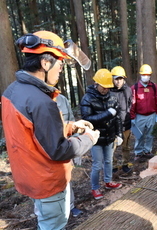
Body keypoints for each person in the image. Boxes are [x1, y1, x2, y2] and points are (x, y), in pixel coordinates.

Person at [1, 31, 99, 229]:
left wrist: (71, 127)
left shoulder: (13, 91)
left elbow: (35, 132)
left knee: (45, 221)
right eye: (60, 64)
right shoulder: (41, 101)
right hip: (47, 181)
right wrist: (89, 138)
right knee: (54, 225)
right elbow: (59, 149)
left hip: (30, 176)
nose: (61, 69)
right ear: (45, 63)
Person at [80, 69, 124, 199]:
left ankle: (108, 181)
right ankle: (95, 188)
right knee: (97, 164)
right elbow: (87, 119)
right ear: (96, 83)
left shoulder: (113, 98)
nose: (105, 90)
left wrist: (119, 134)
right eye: (103, 87)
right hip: (95, 138)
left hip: (110, 136)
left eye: (107, 87)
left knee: (109, 161)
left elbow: (117, 118)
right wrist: (107, 114)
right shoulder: (87, 98)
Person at [56, 92, 84, 218]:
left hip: (65, 146)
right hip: (48, 150)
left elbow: (73, 124)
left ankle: (70, 206)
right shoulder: (35, 100)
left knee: (67, 178)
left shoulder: (62, 99)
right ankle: (56, 212)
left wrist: (76, 148)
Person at [130, 64, 157, 162]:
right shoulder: (135, 88)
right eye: (143, 74)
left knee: (150, 135)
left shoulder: (154, 87)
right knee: (139, 135)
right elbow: (132, 103)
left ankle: (147, 150)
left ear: (150, 75)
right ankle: (138, 152)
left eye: (147, 74)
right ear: (140, 75)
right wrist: (132, 117)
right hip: (139, 116)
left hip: (152, 115)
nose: (145, 76)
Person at [110, 66, 132, 174]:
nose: (118, 81)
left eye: (120, 79)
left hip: (125, 124)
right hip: (113, 125)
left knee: (126, 146)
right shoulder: (108, 91)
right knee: (112, 148)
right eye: (116, 79)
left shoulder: (128, 90)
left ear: (124, 79)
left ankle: (125, 164)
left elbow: (130, 104)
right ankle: (113, 165)